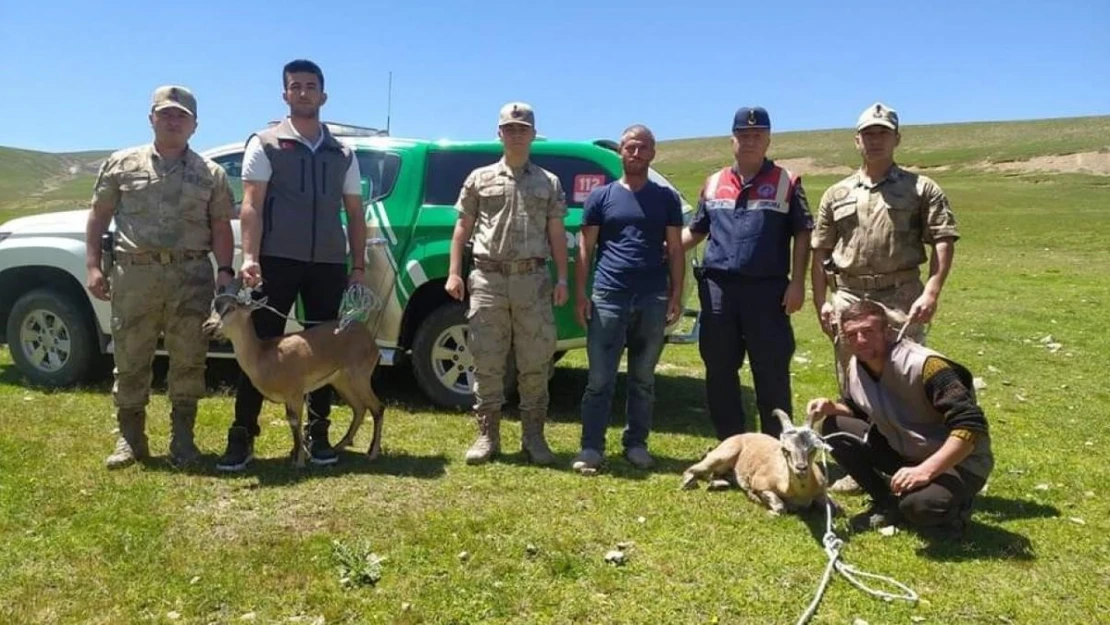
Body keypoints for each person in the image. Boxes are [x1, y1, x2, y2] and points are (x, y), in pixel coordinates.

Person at [217, 59, 367, 471]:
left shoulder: (343, 152)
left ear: (324, 95)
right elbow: (251, 204)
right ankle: (242, 435)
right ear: (285, 94)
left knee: (323, 349)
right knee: (259, 344)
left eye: (311, 86)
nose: (303, 92)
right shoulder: (265, 143)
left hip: (328, 263)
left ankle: (318, 436)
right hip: (275, 261)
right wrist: (249, 257)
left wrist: (357, 266)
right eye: (295, 86)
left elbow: (355, 213)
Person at [810, 102, 960, 493]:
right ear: (857, 140)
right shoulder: (836, 192)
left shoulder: (920, 188)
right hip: (849, 294)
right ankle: (860, 463)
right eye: (868, 134)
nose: (875, 140)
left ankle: (917, 457)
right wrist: (822, 300)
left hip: (900, 295)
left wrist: (933, 289)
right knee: (852, 378)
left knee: (901, 377)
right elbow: (820, 250)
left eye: (883, 133)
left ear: (896, 138)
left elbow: (943, 238)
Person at [86, 85, 235, 469]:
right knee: (131, 357)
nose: (173, 120)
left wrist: (225, 273)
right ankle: (130, 440)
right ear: (151, 118)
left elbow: (220, 226)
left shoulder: (211, 174)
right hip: (135, 275)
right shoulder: (121, 164)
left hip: (191, 277)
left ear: (195, 125)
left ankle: (183, 440)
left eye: (181, 115)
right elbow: (99, 215)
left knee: (189, 359)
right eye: (165, 113)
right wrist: (92, 266)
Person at [446, 101, 569, 466]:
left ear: (533, 134)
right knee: (487, 359)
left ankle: (534, 437)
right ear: (499, 133)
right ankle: (488, 435)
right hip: (488, 278)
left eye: (522, 127)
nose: (516, 133)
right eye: (509, 127)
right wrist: (454, 272)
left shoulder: (548, 183)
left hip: (532, 279)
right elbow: (462, 228)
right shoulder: (479, 178)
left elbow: (557, 233)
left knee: (535, 361)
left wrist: (562, 277)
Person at [680, 106, 813, 440]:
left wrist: (797, 283)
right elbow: (696, 231)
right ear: (732, 140)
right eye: (743, 135)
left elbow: (803, 233)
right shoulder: (713, 183)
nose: (750, 141)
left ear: (768, 139)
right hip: (719, 291)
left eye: (757, 135)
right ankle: (731, 448)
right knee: (720, 371)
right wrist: (659, 248)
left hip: (767, 292)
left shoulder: (787, 181)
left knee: (771, 373)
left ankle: (775, 449)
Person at [807, 299, 993, 536]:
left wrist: (924, 471)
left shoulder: (926, 366)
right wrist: (831, 407)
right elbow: (860, 409)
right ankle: (886, 502)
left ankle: (956, 509)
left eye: (868, 331)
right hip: (906, 449)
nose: (860, 341)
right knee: (834, 426)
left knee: (918, 506)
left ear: (888, 331)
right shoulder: (858, 364)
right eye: (852, 335)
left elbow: (970, 426)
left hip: (958, 463)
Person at [571, 125, 684, 473]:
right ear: (620, 151)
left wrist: (676, 294)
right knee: (600, 380)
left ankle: (636, 444)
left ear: (653, 153)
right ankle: (591, 447)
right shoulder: (601, 197)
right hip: (608, 296)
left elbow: (676, 249)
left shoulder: (665, 199)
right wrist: (581, 294)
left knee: (643, 379)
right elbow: (586, 248)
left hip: (652, 297)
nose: (636, 154)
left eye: (643, 148)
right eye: (630, 148)